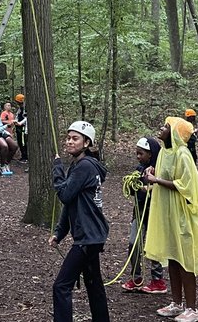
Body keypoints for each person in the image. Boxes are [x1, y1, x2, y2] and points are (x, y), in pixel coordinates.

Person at [144, 116, 198, 322]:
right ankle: (176, 303)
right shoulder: (164, 152)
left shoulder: (183, 154)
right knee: (172, 258)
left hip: (183, 216)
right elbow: (162, 176)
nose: (161, 128)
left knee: (185, 261)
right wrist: (152, 172)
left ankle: (192, 308)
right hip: (168, 215)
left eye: (166, 126)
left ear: (175, 133)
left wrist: (157, 180)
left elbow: (186, 185)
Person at [50, 120, 111, 322]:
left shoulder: (84, 166)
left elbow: (65, 195)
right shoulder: (80, 166)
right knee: (94, 284)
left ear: (86, 143)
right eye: (68, 138)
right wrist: (60, 233)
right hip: (92, 235)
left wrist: (57, 170)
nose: (69, 142)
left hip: (88, 236)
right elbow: (71, 204)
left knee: (61, 286)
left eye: (75, 138)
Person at [122, 136, 167, 294]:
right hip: (139, 212)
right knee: (133, 243)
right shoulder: (139, 169)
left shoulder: (160, 170)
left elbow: (160, 188)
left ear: (151, 153)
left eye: (141, 153)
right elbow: (132, 189)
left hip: (155, 213)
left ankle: (158, 280)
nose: (138, 157)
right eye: (137, 153)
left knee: (154, 245)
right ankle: (136, 277)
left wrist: (146, 188)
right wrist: (133, 186)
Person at [14, 93, 29, 161]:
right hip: (18, 127)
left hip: (23, 127)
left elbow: (26, 118)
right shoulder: (20, 108)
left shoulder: (26, 108)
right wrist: (16, 121)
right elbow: (18, 116)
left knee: (23, 142)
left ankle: (25, 157)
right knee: (20, 142)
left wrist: (20, 123)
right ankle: (23, 155)